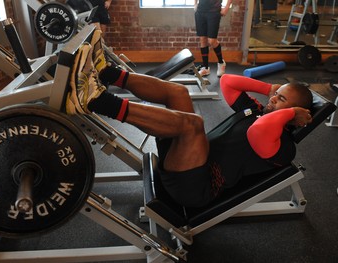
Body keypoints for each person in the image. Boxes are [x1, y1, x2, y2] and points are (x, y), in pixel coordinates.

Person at [66, 38, 313, 208]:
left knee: (192, 124)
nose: (272, 100)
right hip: (190, 159)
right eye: (276, 94)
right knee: (179, 94)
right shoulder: (256, 110)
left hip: (196, 186)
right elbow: (227, 82)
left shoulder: (284, 145)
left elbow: (260, 132)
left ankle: (97, 101)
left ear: (293, 113)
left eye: (281, 100)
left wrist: (289, 113)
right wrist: (270, 87)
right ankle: (107, 72)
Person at [194, 0, 233, 77]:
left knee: (212, 41)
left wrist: (227, 7)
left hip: (214, 12)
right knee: (203, 40)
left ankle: (221, 62)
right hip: (200, 11)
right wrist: (195, 4)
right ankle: (205, 68)